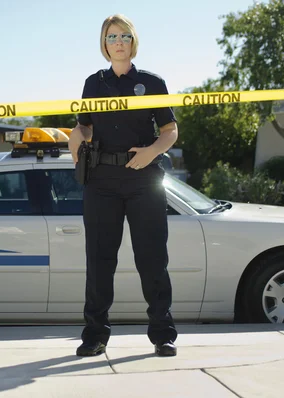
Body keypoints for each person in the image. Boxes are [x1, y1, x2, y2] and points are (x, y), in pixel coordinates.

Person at [69, 14, 179, 357]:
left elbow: (170, 131)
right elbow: (84, 127)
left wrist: (150, 153)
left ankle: (163, 334)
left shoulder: (152, 81)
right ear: (104, 43)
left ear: (133, 42)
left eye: (125, 36)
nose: (119, 42)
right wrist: (77, 142)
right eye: (112, 36)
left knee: (152, 259)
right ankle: (94, 336)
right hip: (101, 181)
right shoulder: (93, 83)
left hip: (144, 180)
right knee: (99, 261)